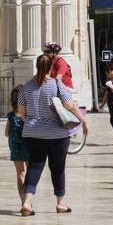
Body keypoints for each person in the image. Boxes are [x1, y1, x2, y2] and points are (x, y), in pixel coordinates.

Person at [16, 54, 88, 216]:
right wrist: (83, 121)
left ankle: (27, 202)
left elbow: (21, 112)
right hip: (56, 134)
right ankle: (60, 203)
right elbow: (70, 106)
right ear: (50, 68)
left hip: (32, 132)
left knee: (34, 166)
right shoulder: (56, 84)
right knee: (57, 168)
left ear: (37, 67)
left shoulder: (26, 86)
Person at [5, 85, 28, 199]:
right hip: (29, 145)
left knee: (20, 174)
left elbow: (6, 133)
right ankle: (29, 199)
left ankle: (23, 201)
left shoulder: (11, 115)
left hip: (15, 147)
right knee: (31, 173)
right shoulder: (28, 115)